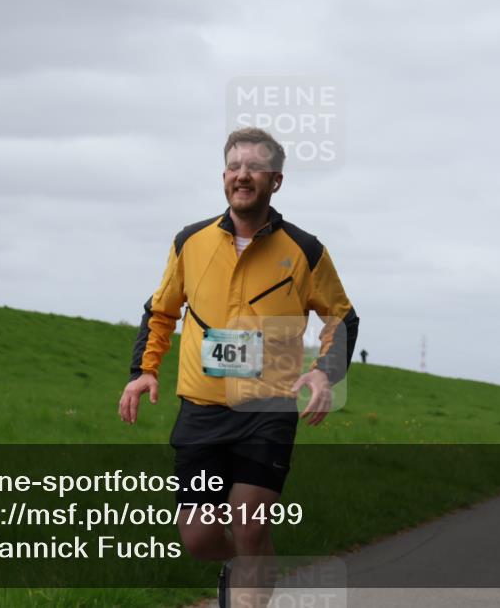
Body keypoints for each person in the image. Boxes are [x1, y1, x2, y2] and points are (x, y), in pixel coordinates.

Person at [119, 127, 359, 608]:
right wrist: (145, 370)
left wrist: (324, 371)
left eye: (254, 167)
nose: (242, 175)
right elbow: (161, 310)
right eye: (234, 167)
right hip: (202, 410)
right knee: (199, 538)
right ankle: (245, 567)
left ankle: (250, 581)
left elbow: (341, 316)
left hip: (267, 410)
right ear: (224, 177)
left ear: (276, 180)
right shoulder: (191, 241)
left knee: (250, 523)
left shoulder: (305, 250)